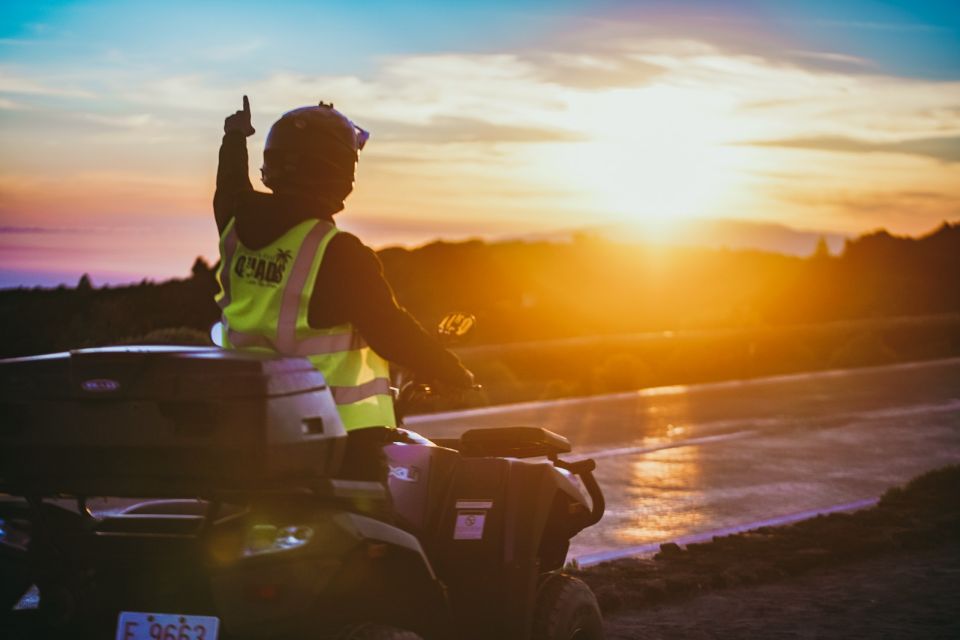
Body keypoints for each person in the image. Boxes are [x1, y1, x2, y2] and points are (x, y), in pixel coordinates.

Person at [213, 96, 474, 475]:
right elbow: (390, 330)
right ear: (340, 173)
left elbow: (230, 185)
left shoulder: (235, 224)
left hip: (248, 425)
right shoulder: (337, 252)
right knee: (384, 527)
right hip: (333, 439)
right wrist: (452, 371)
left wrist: (234, 136)